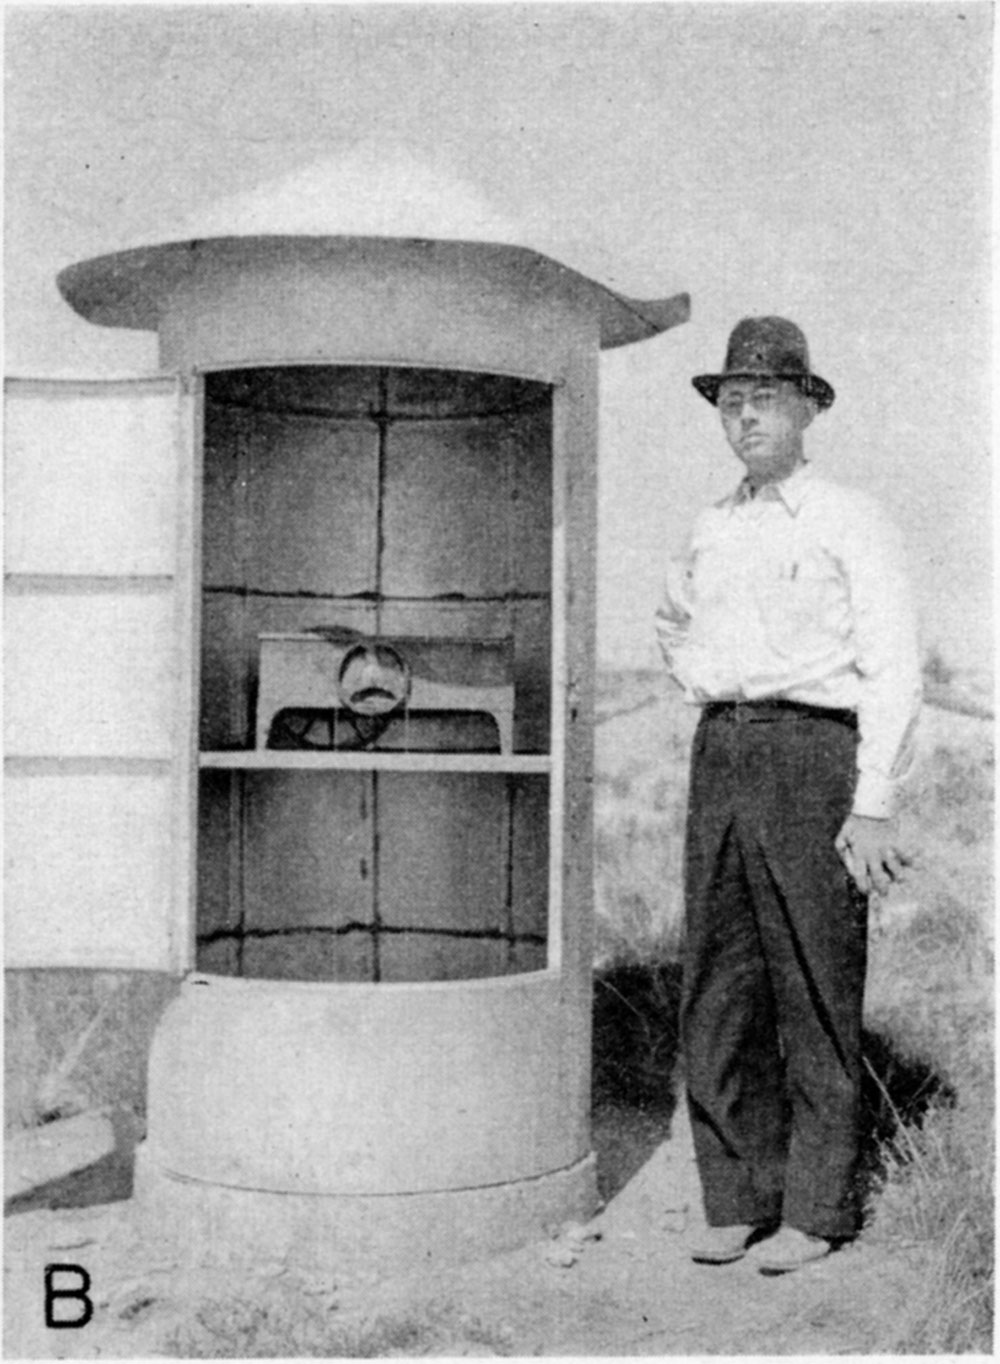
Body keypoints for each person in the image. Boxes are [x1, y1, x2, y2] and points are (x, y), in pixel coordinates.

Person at [655, 316, 921, 1274]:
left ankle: (816, 1207)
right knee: (718, 987)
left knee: (813, 980)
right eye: (732, 402)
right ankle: (737, 1197)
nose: (746, 418)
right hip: (718, 753)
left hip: (814, 758)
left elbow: (895, 666)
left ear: (808, 407)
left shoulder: (851, 518)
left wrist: (874, 797)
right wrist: (710, 683)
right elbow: (671, 623)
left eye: (765, 399)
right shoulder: (711, 525)